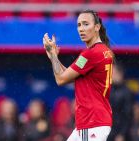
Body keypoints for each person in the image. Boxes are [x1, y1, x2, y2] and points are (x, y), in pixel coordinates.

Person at [43, 9, 113, 141]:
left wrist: (53, 55)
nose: (81, 29)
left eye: (86, 24)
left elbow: (61, 79)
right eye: (79, 25)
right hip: (94, 121)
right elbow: (68, 75)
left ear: (97, 27)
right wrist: (54, 58)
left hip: (92, 121)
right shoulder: (101, 51)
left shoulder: (89, 54)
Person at [108, 64, 134, 141]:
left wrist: (122, 134)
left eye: (113, 73)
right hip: (108, 130)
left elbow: (128, 115)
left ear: (120, 74)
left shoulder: (127, 92)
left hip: (119, 132)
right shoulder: (109, 89)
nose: (111, 76)